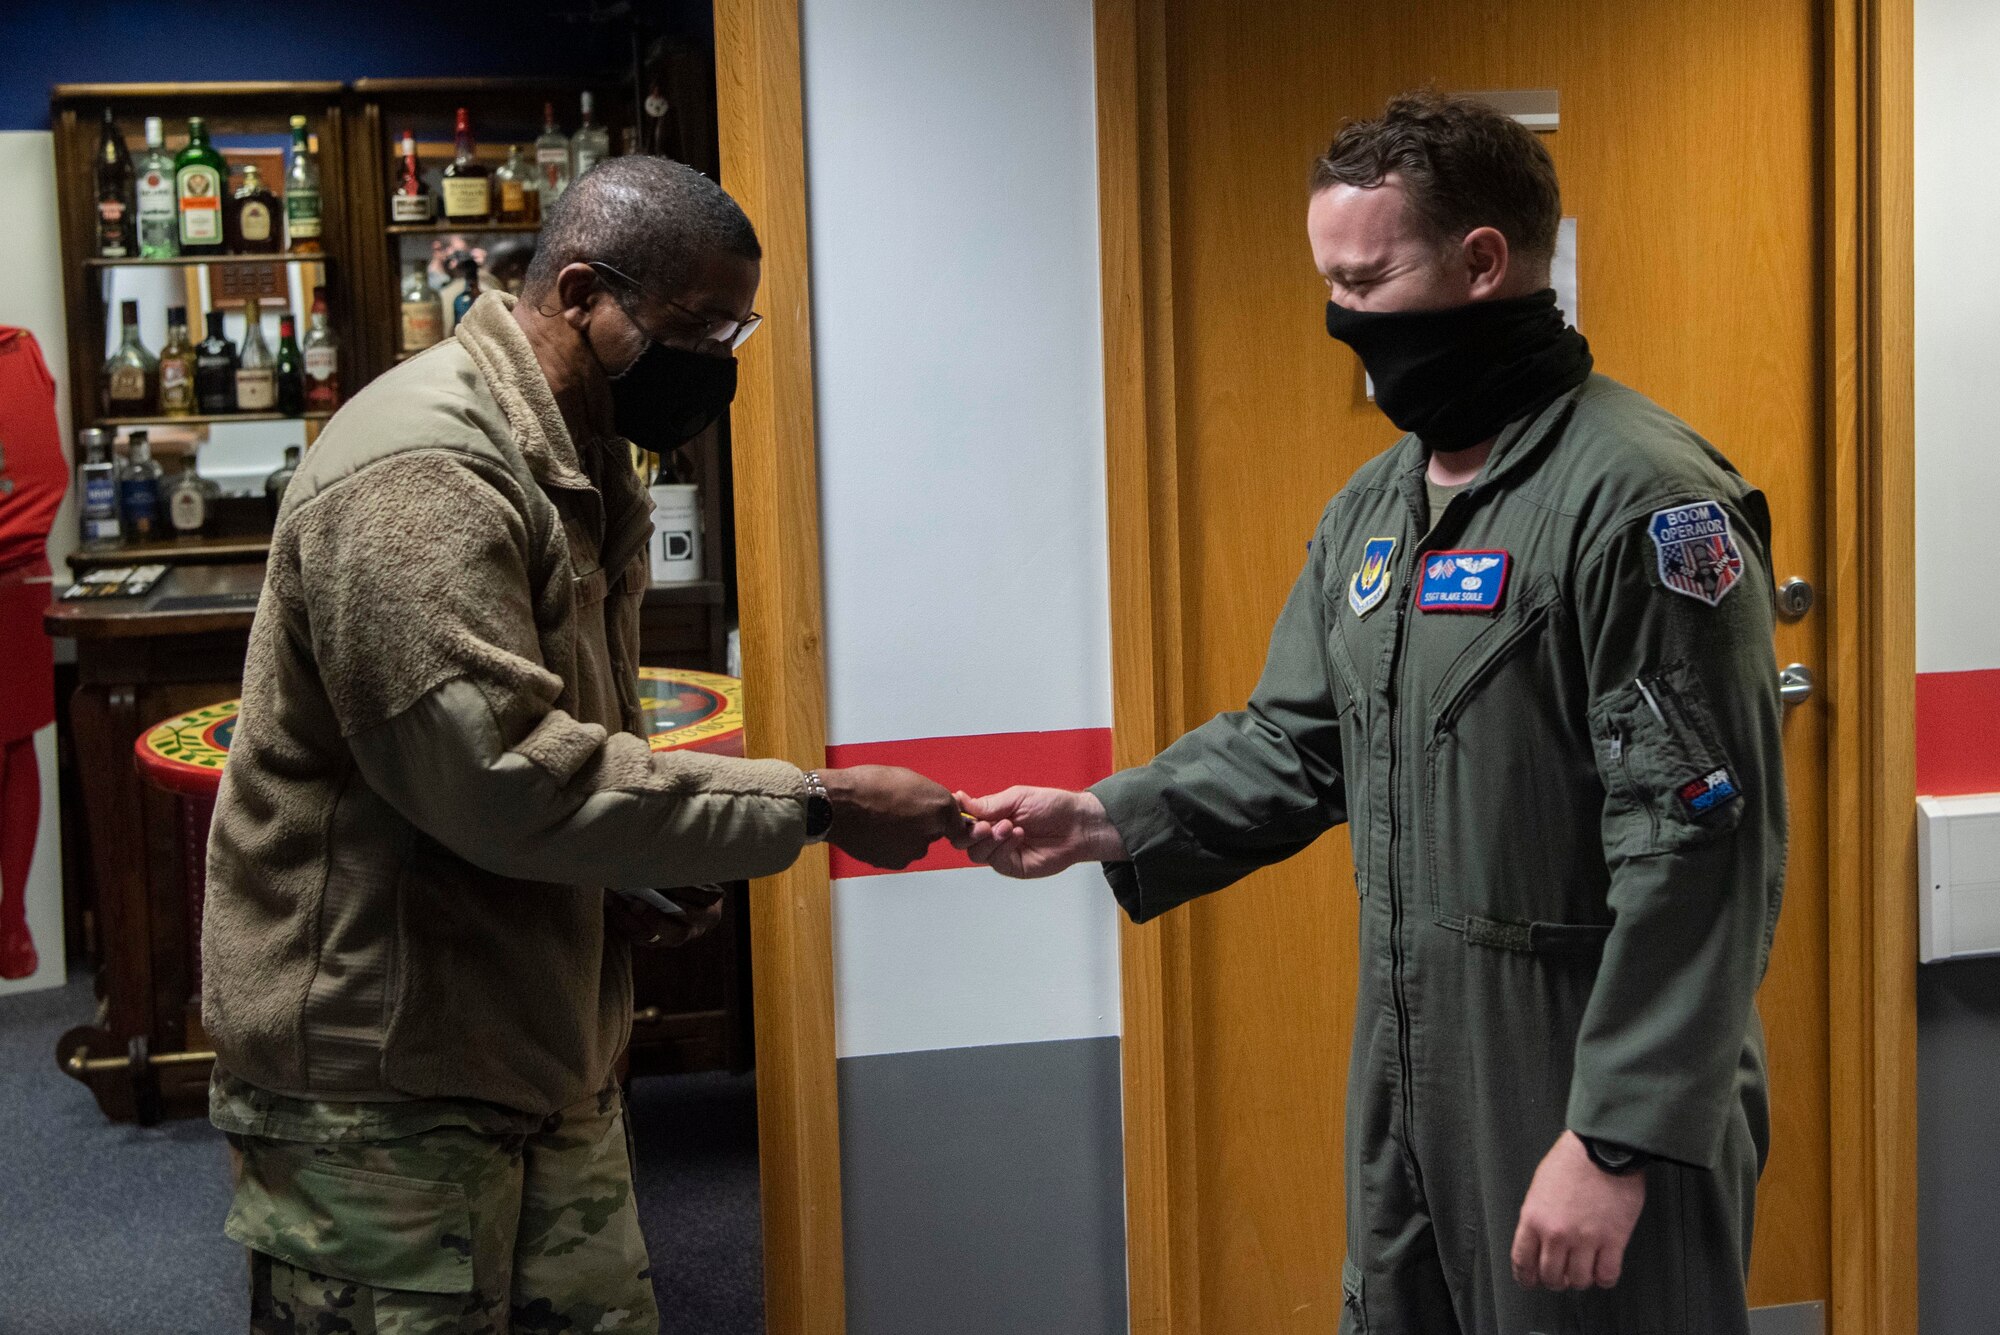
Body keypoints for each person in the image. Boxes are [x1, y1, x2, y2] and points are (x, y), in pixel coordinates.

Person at [963, 92, 1786, 1335]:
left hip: (1576, 1058)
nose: (1340, 317)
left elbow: (1695, 848)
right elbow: (1297, 740)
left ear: (1480, 264)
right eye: (1327, 283)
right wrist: (1102, 818)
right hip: (1409, 1057)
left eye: (1365, 279)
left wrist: (1611, 1137)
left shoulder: (1641, 504)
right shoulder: (1377, 507)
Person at [200, 157, 964, 1333]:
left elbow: (562, 755)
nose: (719, 360)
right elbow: (502, 777)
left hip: (531, 1041)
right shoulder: (426, 472)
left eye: (734, 327)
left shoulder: (583, 451)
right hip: (385, 1081)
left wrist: (629, 868)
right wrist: (813, 804)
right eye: (695, 328)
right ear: (578, 296)